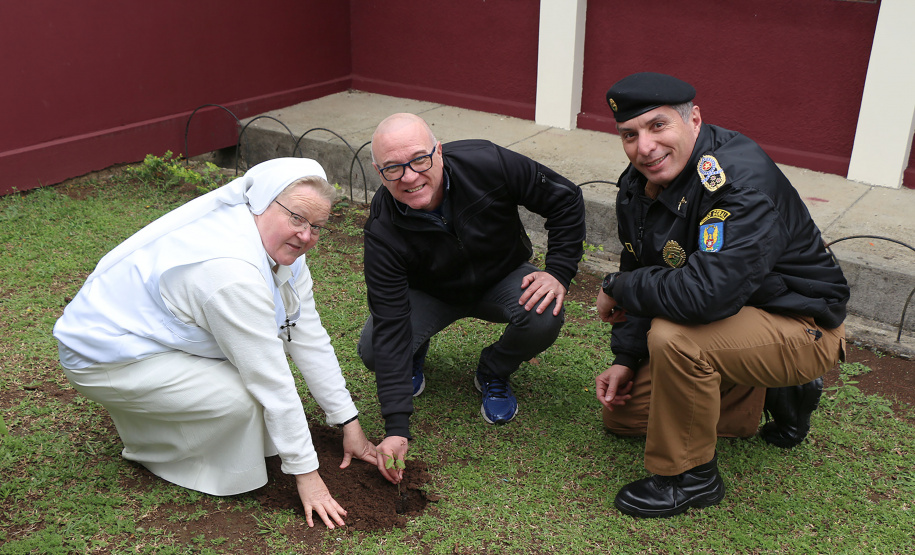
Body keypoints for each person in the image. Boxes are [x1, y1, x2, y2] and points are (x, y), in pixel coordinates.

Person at [53, 158, 378, 529]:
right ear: (262, 204)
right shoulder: (230, 272)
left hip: (157, 340)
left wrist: (348, 422)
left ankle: (157, 418)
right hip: (106, 358)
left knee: (250, 387)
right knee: (242, 398)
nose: (306, 235)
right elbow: (270, 378)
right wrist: (307, 475)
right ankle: (156, 450)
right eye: (297, 218)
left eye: (316, 226)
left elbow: (307, 336)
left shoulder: (279, 249)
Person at [594, 73, 849, 518]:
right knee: (624, 419)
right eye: (629, 135)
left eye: (658, 126)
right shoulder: (640, 181)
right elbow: (641, 263)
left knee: (676, 338)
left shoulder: (738, 183)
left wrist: (615, 288)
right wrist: (625, 357)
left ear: (693, 118)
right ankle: (769, 392)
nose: (645, 147)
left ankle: (690, 478)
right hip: (736, 316)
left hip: (801, 323)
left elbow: (703, 298)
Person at [359, 113, 587, 483]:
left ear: (439, 151)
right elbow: (388, 321)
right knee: (374, 350)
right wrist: (396, 428)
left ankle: (493, 370)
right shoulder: (382, 229)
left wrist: (558, 270)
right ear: (377, 171)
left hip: (503, 277)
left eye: (419, 159)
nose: (410, 176)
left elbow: (565, 198)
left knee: (544, 312)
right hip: (432, 293)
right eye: (393, 169)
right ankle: (414, 354)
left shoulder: (488, 161)